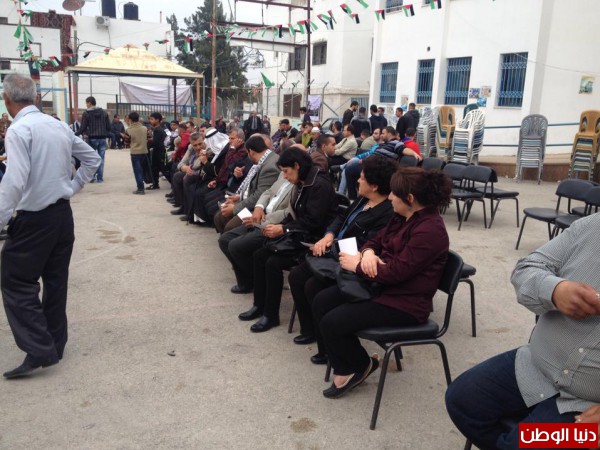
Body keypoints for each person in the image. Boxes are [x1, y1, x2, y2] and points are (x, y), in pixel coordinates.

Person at [445, 212, 600, 450]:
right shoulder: (591, 226)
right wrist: (555, 290)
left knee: (522, 443)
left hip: (588, 404)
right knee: (461, 400)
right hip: (536, 365)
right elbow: (526, 268)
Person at [312, 167, 452, 398]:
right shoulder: (403, 216)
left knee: (332, 322)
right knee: (321, 301)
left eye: (394, 193)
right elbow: (375, 241)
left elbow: (396, 272)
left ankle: (358, 366)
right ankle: (347, 361)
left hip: (405, 303)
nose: (390, 197)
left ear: (410, 198)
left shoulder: (430, 231)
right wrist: (368, 254)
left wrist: (357, 265)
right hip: (382, 287)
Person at [0, 73, 101, 378]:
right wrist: (72, 187)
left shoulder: (19, 130)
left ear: (7, 99)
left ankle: (40, 347)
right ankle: (55, 343)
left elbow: (14, 181)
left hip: (33, 219)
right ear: (35, 97)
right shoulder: (57, 125)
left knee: (16, 281)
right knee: (56, 281)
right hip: (61, 216)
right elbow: (92, 159)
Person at [289, 156, 396, 356]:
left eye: (362, 178)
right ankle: (310, 330)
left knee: (313, 286)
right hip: (335, 252)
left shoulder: (386, 213)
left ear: (374, 186)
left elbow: (368, 244)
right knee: (296, 276)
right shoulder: (364, 199)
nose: (357, 180)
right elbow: (341, 217)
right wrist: (329, 235)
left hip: (351, 261)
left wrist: (334, 246)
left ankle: (327, 347)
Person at [238, 147, 338, 333]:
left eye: (286, 171)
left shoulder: (319, 184)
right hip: (300, 235)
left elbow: (313, 222)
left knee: (273, 263)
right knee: (260, 255)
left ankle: (271, 315)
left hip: (315, 241)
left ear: (297, 166)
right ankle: (259, 305)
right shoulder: (302, 181)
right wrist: (279, 226)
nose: (284, 176)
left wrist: (283, 229)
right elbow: (295, 214)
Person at [213, 134, 280, 234]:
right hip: (251, 201)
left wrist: (235, 208)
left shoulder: (269, 167)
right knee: (219, 216)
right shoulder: (263, 160)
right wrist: (239, 197)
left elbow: (260, 195)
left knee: (230, 227)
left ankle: (228, 240)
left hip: (261, 209)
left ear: (251, 152)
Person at [76, 96, 110, 183]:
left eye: (86, 103)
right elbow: (109, 127)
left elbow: (83, 128)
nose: (86, 105)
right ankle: (100, 178)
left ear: (90, 103)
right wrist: (104, 132)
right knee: (101, 158)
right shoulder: (104, 113)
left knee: (92, 159)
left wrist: (75, 134)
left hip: (92, 139)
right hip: (102, 138)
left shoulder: (86, 113)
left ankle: (92, 177)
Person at [170, 132, 205, 218]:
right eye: (195, 145)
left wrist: (190, 168)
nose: (198, 147)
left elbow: (198, 166)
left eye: (200, 144)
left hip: (202, 173)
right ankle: (183, 206)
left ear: (203, 141)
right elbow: (181, 163)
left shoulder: (208, 149)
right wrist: (185, 168)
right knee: (177, 176)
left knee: (187, 178)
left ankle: (190, 213)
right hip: (192, 171)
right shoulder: (190, 148)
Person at [125, 111, 149, 195]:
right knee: (143, 169)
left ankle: (140, 188)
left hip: (135, 153)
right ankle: (145, 184)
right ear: (138, 119)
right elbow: (149, 138)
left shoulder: (128, 130)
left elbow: (126, 142)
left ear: (130, 119)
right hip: (144, 151)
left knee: (137, 171)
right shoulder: (145, 128)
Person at [147, 112, 167, 190]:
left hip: (159, 152)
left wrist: (148, 142)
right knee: (155, 168)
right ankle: (155, 184)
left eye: (152, 119)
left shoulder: (158, 130)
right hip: (158, 151)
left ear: (157, 120)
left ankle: (174, 185)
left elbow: (156, 142)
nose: (150, 121)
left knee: (163, 169)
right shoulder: (159, 128)